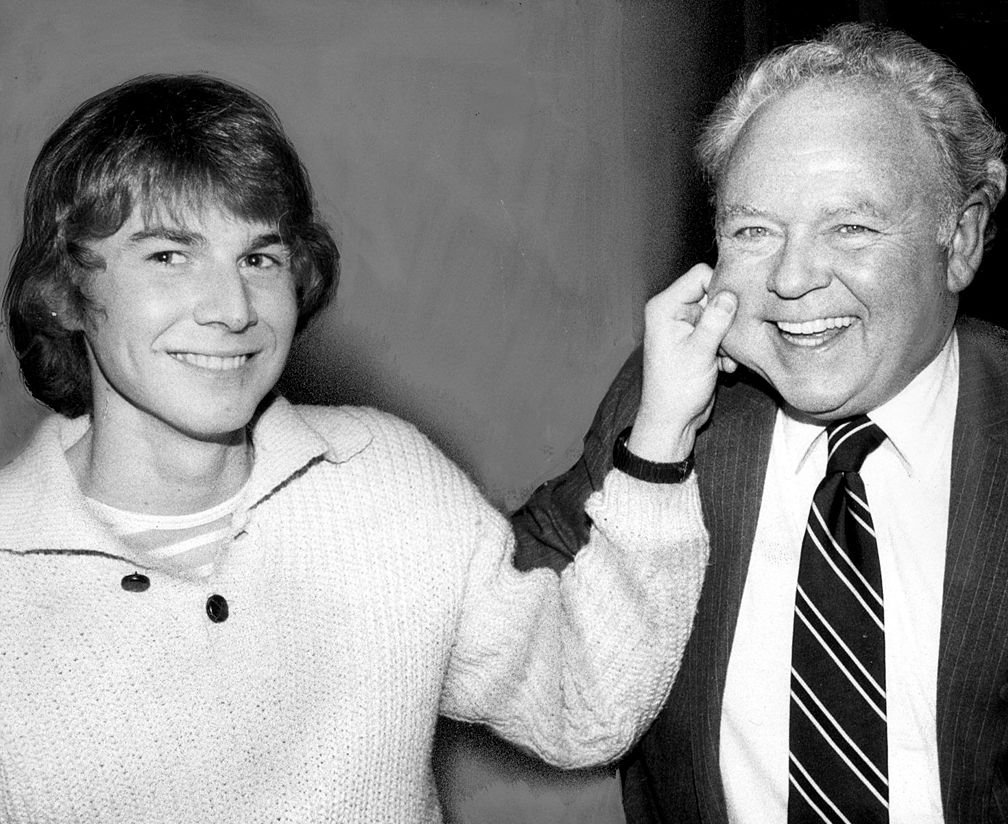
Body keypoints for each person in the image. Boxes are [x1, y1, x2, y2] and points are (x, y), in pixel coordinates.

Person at [0, 74, 722, 823]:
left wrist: (660, 433)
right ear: (63, 292)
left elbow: (583, 707)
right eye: (168, 257)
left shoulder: (390, 481)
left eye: (258, 258)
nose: (232, 309)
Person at [514, 23, 1008, 824]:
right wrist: (656, 451)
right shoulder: (674, 402)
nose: (791, 278)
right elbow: (500, 610)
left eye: (850, 227)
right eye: (753, 231)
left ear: (958, 241)